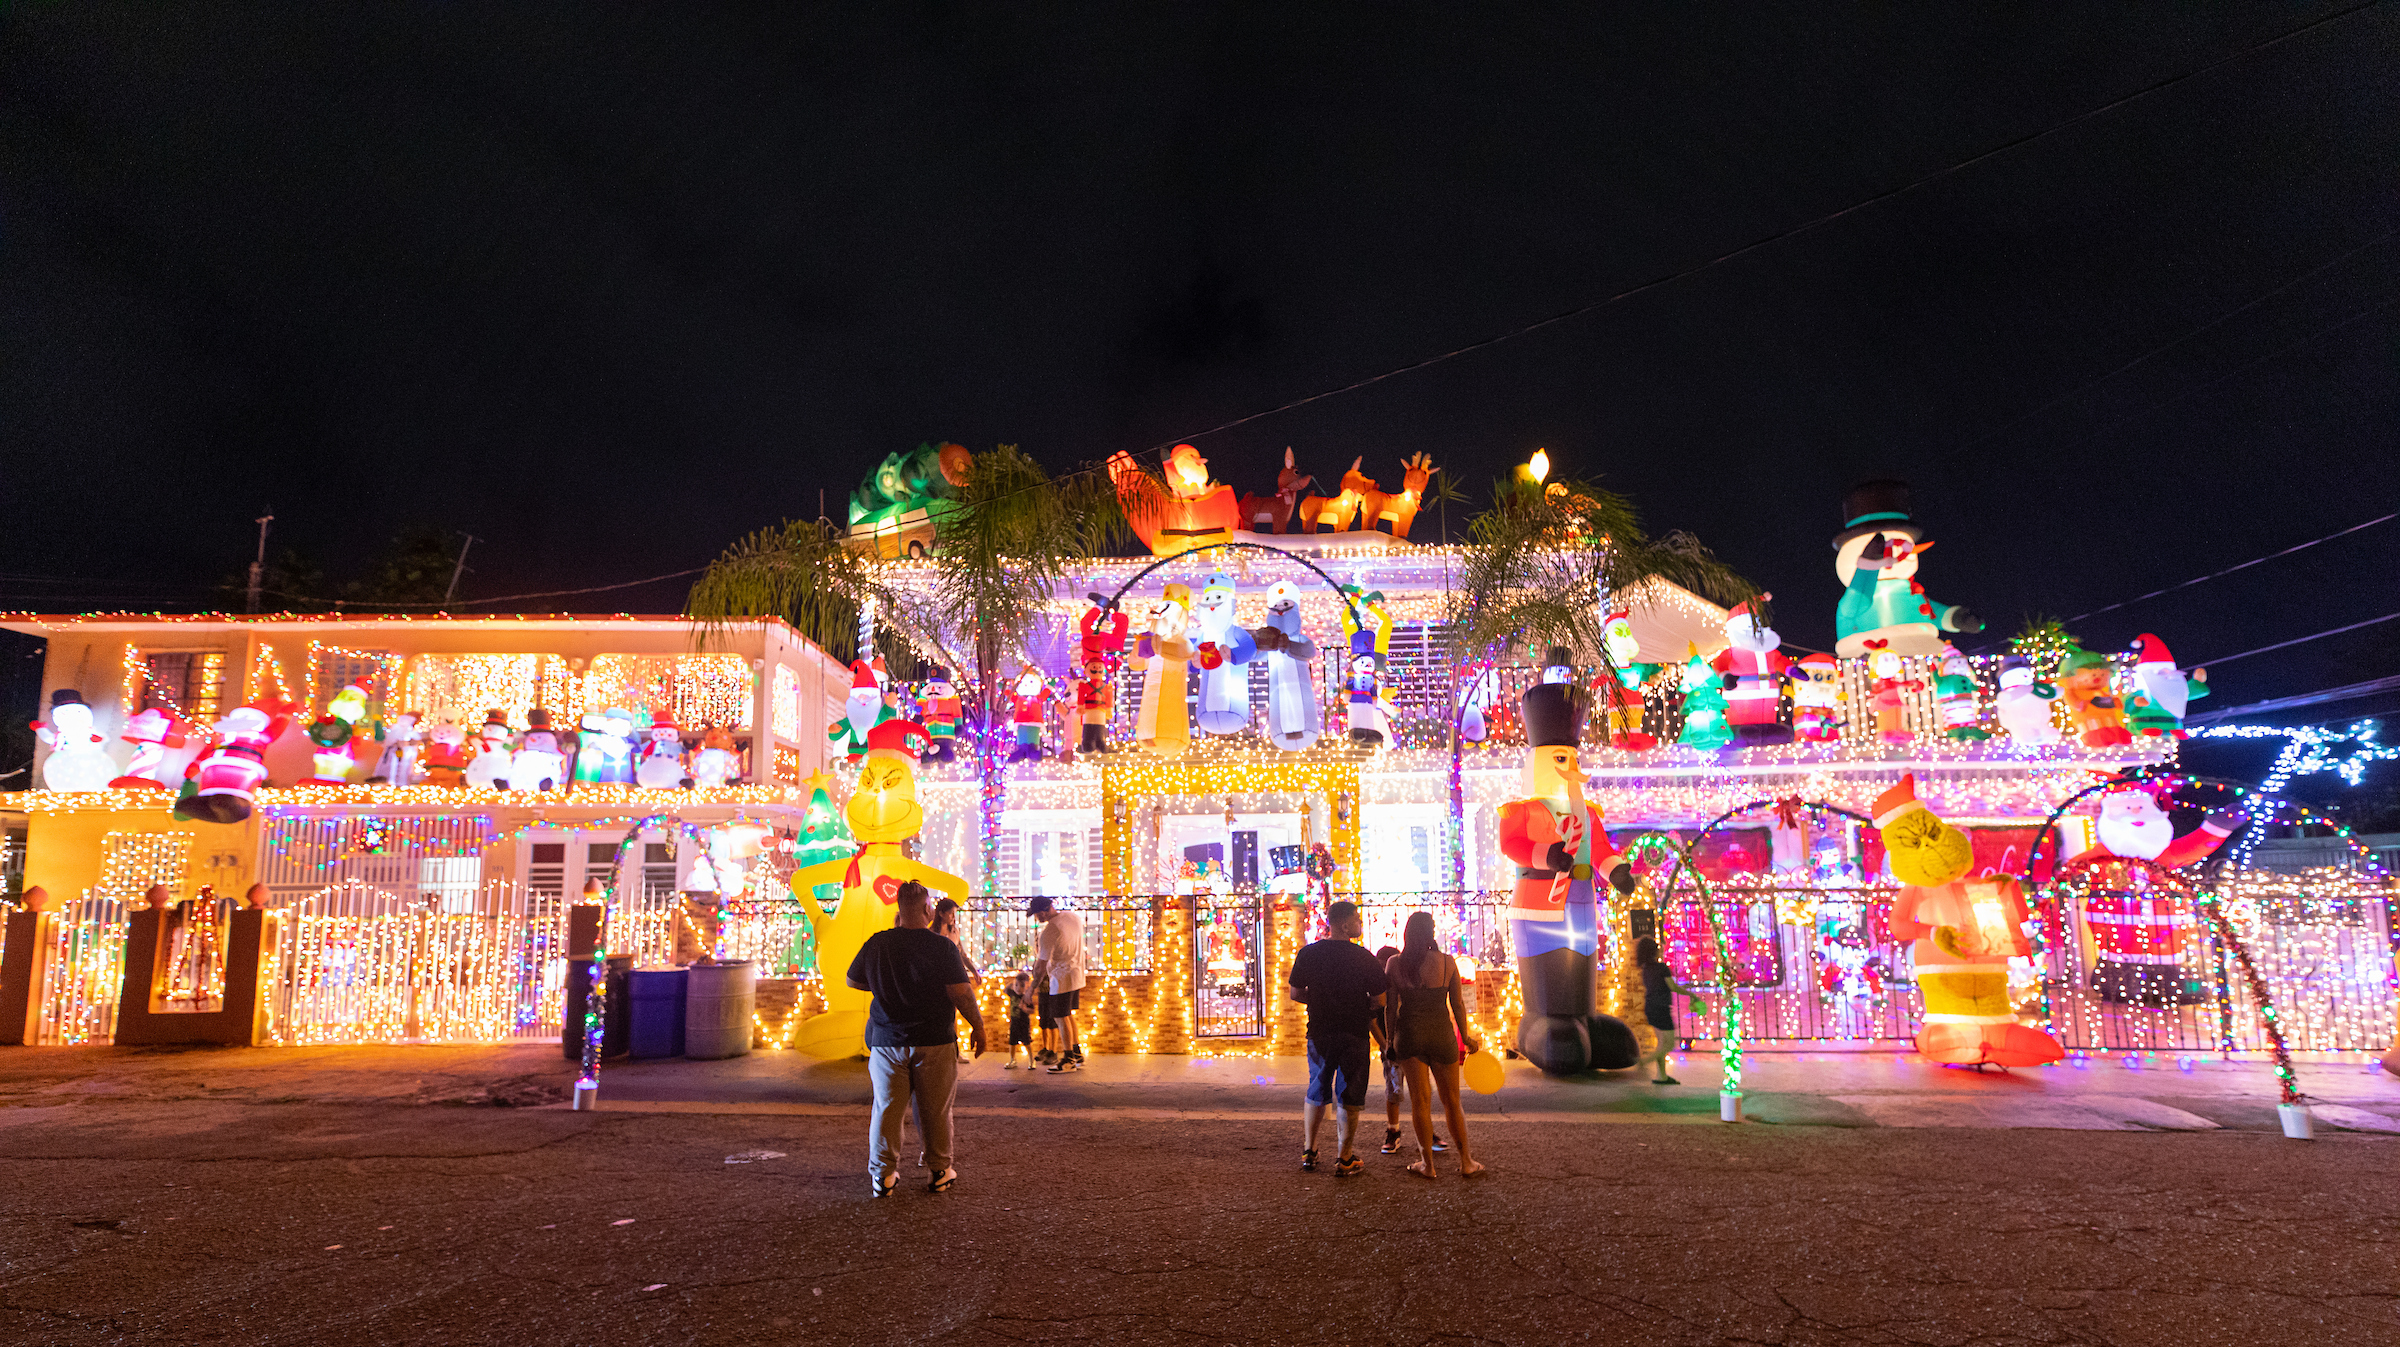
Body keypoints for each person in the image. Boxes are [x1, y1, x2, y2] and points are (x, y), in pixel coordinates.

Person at [846, 880, 985, 1197]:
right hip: (934, 1039)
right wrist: (978, 1026)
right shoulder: (942, 947)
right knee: (935, 1109)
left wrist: (883, 986)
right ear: (927, 909)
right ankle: (939, 1171)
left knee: (886, 1109)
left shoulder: (878, 943)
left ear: (898, 909)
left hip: (886, 1041)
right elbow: (961, 994)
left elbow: (852, 980)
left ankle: (883, 1176)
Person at [1286, 900, 1387, 1177]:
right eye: (1357, 919)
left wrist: (1319, 1001)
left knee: (1317, 1087)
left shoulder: (1308, 954)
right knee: (1350, 1094)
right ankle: (1344, 1158)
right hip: (1354, 1032)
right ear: (1344, 924)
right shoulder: (1364, 957)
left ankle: (1309, 1150)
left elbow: (1295, 993)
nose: (1360, 924)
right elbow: (1380, 1000)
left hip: (1320, 1031)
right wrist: (1359, 1003)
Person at [1385, 911, 1485, 1178]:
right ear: (1431, 932)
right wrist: (1465, 1037)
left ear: (1407, 932)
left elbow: (1390, 1007)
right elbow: (1458, 1005)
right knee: (1452, 1101)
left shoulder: (1394, 964)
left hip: (1409, 1035)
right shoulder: (1447, 962)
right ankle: (1466, 1161)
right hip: (1442, 1035)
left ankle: (1427, 1165)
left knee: (1420, 1101)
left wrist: (1389, 1041)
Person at [1372, 943, 1444, 1157]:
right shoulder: (1378, 989)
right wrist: (1385, 1046)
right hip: (1392, 1047)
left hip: (1412, 1042)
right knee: (1395, 1090)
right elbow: (1373, 1021)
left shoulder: (1406, 984)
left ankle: (1425, 1131)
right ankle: (1393, 1131)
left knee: (1420, 1090)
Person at [1635, 936, 1709, 1085]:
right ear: (1654, 952)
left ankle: (1661, 1076)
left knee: (1661, 1044)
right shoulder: (1662, 968)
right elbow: (1673, 987)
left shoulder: (1645, 969)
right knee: (1669, 1045)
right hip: (1661, 1009)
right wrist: (1691, 994)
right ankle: (1644, 1062)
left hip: (1650, 1008)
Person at [1026, 896, 1087, 1073]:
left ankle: (1068, 1060)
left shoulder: (1050, 931)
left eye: (1037, 914)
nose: (1036, 918)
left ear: (1044, 911)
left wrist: (1031, 989)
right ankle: (1076, 1053)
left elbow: (1040, 966)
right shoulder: (1072, 917)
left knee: (1060, 1017)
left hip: (1061, 979)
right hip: (1077, 974)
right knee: (1067, 1015)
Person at [931, 896, 982, 1063]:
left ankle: (954, 1050)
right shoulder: (932, 933)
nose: (954, 917)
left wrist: (973, 970)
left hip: (954, 975)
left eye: (955, 914)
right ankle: (946, 1049)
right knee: (942, 1014)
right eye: (951, 914)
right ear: (941, 914)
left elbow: (962, 953)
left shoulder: (954, 931)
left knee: (952, 1015)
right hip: (937, 978)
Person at [1003, 971, 1035, 1069]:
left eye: (1021, 985)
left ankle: (1031, 1060)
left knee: (1026, 1042)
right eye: (1016, 985)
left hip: (1023, 1023)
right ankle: (1013, 1060)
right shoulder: (1012, 993)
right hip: (1014, 1022)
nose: (1018, 987)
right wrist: (1012, 983)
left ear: (1026, 986)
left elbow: (1032, 1010)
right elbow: (1005, 990)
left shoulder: (1027, 997)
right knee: (1012, 1042)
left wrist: (1025, 1009)